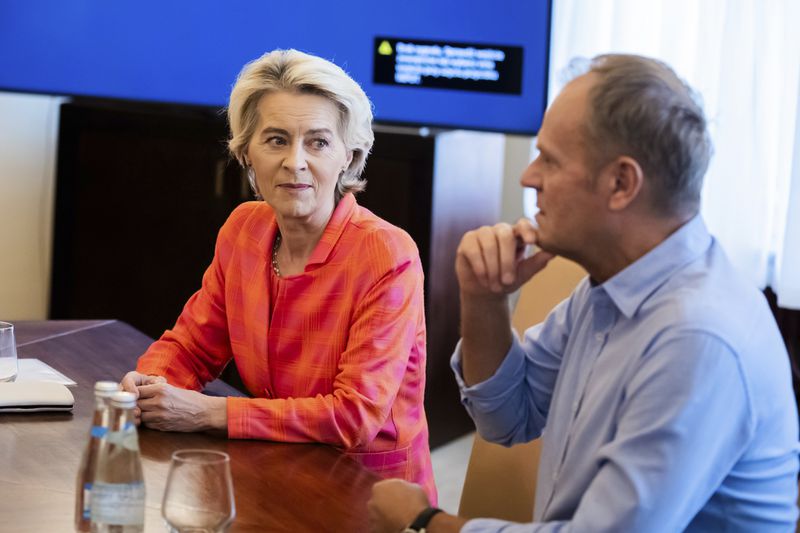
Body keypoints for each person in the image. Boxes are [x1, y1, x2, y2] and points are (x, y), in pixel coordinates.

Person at [368, 54, 799, 531]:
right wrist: (484, 298)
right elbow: (507, 417)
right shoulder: (612, 284)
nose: (527, 178)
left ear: (621, 183)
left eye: (549, 160)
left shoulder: (697, 336)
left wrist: (424, 523)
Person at [120, 49, 436, 501]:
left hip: (367, 498)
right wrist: (151, 383)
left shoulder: (386, 254)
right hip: (270, 471)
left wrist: (211, 414)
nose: (295, 161)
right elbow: (192, 346)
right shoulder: (244, 228)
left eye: (318, 142)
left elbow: (355, 417)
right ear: (246, 151)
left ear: (349, 155)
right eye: (275, 139)